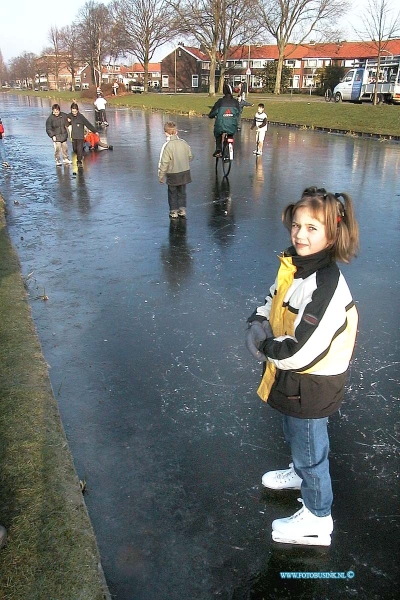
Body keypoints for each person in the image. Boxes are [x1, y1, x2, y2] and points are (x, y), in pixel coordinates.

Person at [245, 186, 359, 546]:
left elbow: (304, 349)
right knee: (295, 433)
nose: (300, 234)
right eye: (297, 225)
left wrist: (265, 345)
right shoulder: (294, 265)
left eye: (312, 228)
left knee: (311, 448)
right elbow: (274, 297)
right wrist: (258, 317)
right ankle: (298, 473)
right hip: (295, 379)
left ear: (332, 234)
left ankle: (317, 518)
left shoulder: (324, 284)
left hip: (313, 382)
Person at [158, 121, 193, 219]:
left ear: (166, 133)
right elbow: (190, 156)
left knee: (172, 192)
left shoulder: (167, 146)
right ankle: (182, 209)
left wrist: (161, 176)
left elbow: (164, 162)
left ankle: (173, 211)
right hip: (184, 172)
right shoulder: (184, 143)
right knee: (182, 191)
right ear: (176, 132)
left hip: (172, 173)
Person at [208, 82, 240, 157]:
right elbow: (238, 112)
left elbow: (213, 112)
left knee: (218, 134)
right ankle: (230, 143)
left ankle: (218, 149)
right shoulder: (235, 102)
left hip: (221, 125)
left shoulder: (220, 102)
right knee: (231, 133)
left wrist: (211, 116)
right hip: (232, 126)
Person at [66, 103, 97, 169]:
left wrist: (95, 131)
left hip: (80, 136)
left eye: (75, 111)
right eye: (73, 111)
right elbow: (65, 122)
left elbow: (87, 123)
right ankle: (80, 155)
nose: (74, 113)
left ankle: (79, 161)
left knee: (79, 149)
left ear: (77, 110)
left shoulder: (81, 117)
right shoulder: (69, 116)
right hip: (74, 136)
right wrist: (68, 121)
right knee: (75, 149)